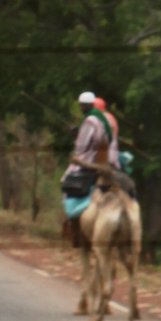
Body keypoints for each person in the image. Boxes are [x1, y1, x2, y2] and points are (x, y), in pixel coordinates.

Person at [60, 91, 113, 246]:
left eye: (82, 106)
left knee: (65, 180)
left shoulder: (90, 120)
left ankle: (73, 223)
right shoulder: (103, 119)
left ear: (84, 105)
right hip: (106, 158)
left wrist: (74, 135)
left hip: (89, 158)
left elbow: (81, 146)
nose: (82, 108)